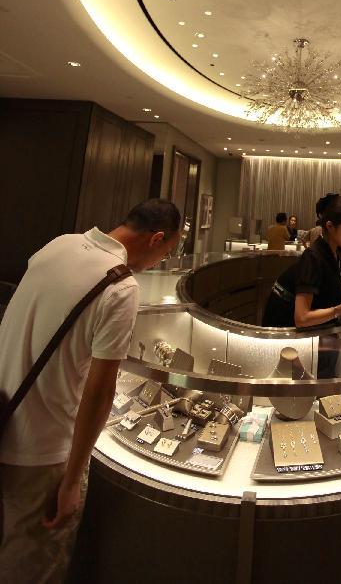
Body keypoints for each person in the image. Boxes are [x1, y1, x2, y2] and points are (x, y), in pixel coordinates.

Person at [0, 198, 181, 584]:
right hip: (42, 448)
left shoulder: (60, 243)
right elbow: (100, 391)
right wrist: (71, 481)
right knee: (31, 562)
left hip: (3, 415)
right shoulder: (121, 286)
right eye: (164, 254)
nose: (158, 265)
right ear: (157, 238)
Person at [262, 194, 341, 329]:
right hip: (285, 336)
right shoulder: (313, 257)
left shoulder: (335, 253)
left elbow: (326, 296)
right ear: (330, 226)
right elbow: (302, 318)